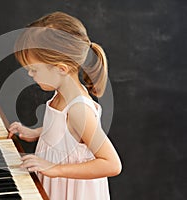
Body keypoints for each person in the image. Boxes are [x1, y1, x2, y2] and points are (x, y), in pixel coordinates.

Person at [8, 11, 121, 200]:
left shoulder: (79, 110)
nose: (30, 75)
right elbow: (68, 134)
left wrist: (55, 168)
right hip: (58, 184)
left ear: (61, 69)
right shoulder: (60, 93)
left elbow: (112, 164)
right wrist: (37, 133)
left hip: (74, 192)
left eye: (34, 70)